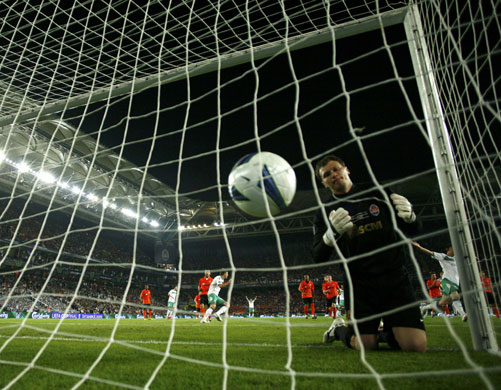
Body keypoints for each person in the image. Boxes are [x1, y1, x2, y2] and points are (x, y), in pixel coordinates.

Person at [313, 155, 426, 352]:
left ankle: (392, 330)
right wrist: (330, 236)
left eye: (335, 169)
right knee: (366, 346)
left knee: (415, 346)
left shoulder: (377, 193)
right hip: (359, 284)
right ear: (323, 182)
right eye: (327, 174)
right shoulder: (324, 213)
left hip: (394, 277)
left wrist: (411, 218)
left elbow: (413, 231)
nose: (333, 175)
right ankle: (338, 329)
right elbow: (317, 255)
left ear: (346, 169)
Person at [412, 242, 467, 321]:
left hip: (455, 283)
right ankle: (463, 314)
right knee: (456, 296)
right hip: (447, 281)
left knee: (443, 302)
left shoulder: (456, 259)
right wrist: (420, 247)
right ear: (449, 249)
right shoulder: (443, 256)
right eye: (452, 248)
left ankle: (425, 307)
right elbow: (430, 252)